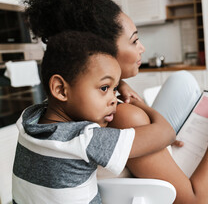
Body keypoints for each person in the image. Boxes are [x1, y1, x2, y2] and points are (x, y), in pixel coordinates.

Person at [23, 0, 208, 203]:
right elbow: (194, 200)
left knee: (182, 80)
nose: (142, 48)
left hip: (144, 164)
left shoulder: (44, 116)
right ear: (106, 55)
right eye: (134, 41)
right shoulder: (123, 117)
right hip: (177, 197)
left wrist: (118, 84)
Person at [12, 31, 175, 203]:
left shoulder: (28, 119)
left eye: (115, 89)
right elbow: (167, 132)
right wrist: (137, 103)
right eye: (105, 88)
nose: (114, 99)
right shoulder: (85, 140)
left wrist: (117, 85)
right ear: (60, 89)